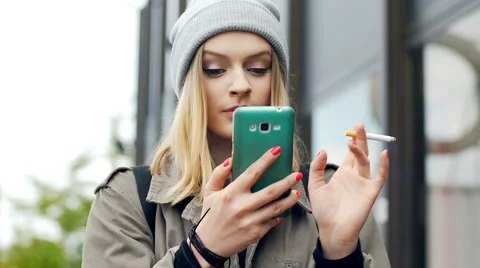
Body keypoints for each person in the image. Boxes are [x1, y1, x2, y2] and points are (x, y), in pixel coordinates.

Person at [81, 0, 391, 267]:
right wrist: (200, 251)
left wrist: (339, 255)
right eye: (215, 69)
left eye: (258, 68)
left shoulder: (333, 197)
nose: (241, 85)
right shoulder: (127, 200)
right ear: (189, 86)